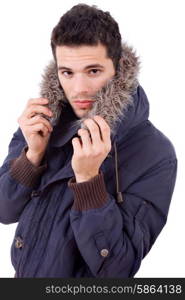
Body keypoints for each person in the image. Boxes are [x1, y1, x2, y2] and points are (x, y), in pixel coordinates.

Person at [0, 4, 177, 278]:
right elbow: (4, 211)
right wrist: (32, 156)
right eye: (67, 72)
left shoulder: (155, 153)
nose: (78, 88)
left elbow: (118, 271)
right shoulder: (39, 124)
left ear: (118, 69)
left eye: (93, 71)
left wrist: (89, 181)